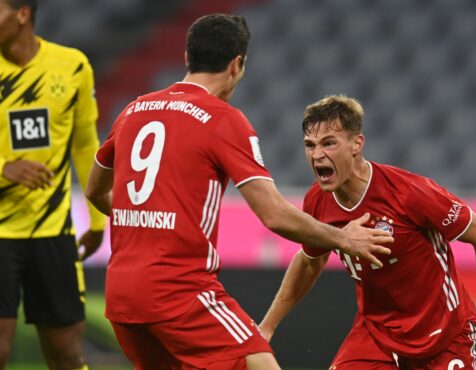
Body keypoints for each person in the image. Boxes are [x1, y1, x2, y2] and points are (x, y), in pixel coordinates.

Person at [84, 14, 394, 370]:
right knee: (260, 364)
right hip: (179, 292)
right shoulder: (223, 119)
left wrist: (143, 221)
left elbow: (95, 189)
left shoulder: (133, 110)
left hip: (122, 294)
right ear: (237, 64)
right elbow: (273, 214)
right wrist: (344, 238)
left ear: (187, 57)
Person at [259, 95, 476, 370]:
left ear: (357, 144)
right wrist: (267, 327)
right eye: (309, 145)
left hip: (445, 335)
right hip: (377, 335)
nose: (317, 155)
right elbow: (310, 261)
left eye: (329, 143)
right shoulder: (317, 202)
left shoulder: (409, 193)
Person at [0, 0, 107, 369]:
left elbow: (84, 145)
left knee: (66, 354)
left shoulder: (72, 66)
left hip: (52, 230)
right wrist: (4, 168)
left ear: (22, 13)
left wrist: (96, 220)